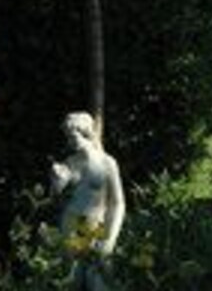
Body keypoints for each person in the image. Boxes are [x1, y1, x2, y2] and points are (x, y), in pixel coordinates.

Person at [50, 112, 125, 291]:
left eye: (72, 135)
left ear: (86, 133)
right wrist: (55, 183)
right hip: (70, 227)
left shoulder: (107, 163)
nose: (69, 140)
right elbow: (57, 200)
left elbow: (118, 203)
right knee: (70, 282)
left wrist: (110, 238)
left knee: (97, 282)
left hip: (94, 228)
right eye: (67, 136)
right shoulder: (69, 163)